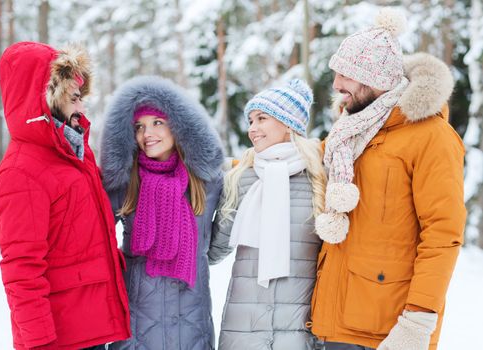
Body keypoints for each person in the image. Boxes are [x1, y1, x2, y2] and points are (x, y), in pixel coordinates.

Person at [310, 8, 466, 350]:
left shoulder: (432, 137)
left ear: (376, 80)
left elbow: (443, 234)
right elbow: (305, 160)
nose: (336, 84)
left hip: (387, 332)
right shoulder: (348, 132)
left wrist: (418, 321)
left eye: (346, 75)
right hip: (333, 321)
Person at [0, 41, 131, 349]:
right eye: (74, 97)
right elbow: (21, 270)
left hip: (91, 329)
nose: (81, 108)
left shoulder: (74, 154)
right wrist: (38, 342)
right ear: (46, 98)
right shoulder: (20, 172)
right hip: (60, 339)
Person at [99, 75, 224, 350]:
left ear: (178, 126)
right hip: (137, 324)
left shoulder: (207, 181)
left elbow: (221, 237)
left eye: (157, 123)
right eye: (139, 127)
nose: (147, 134)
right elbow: (97, 239)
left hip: (191, 321)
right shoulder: (126, 181)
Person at [209, 79, 326, 350]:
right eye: (250, 120)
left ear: (288, 124)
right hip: (243, 328)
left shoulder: (319, 179)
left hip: (300, 328)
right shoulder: (241, 179)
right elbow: (213, 251)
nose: (252, 129)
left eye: (261, 118)